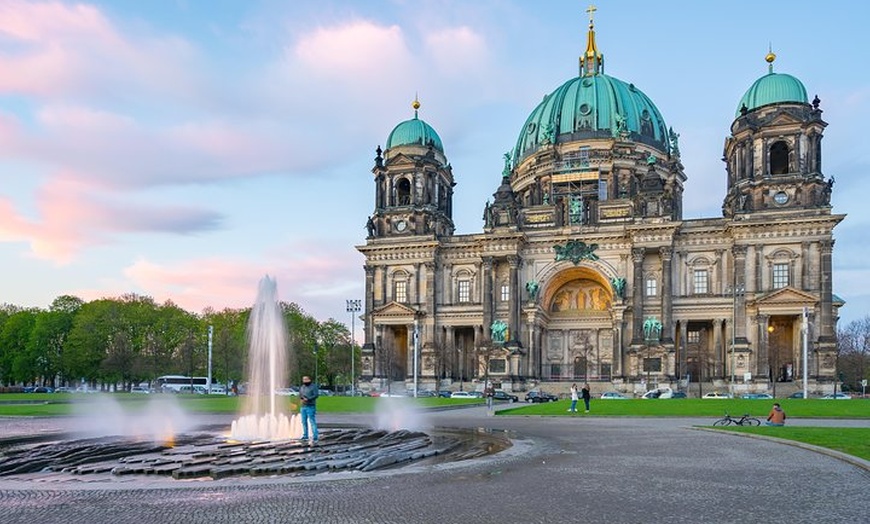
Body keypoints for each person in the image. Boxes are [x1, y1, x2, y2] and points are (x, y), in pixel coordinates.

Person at [299, 375, 320, 443]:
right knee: (304, 421)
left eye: (306, 379)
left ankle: (315, 436)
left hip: (310, 406)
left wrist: (308, 399)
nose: (304, 381)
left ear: (309, 380)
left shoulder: (313, 387)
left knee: (312, 421)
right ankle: (305, 435)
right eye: (303, 379)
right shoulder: (302, 387)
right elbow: (300, 394)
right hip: (303, 406)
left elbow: (316, 395)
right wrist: (302, 398)